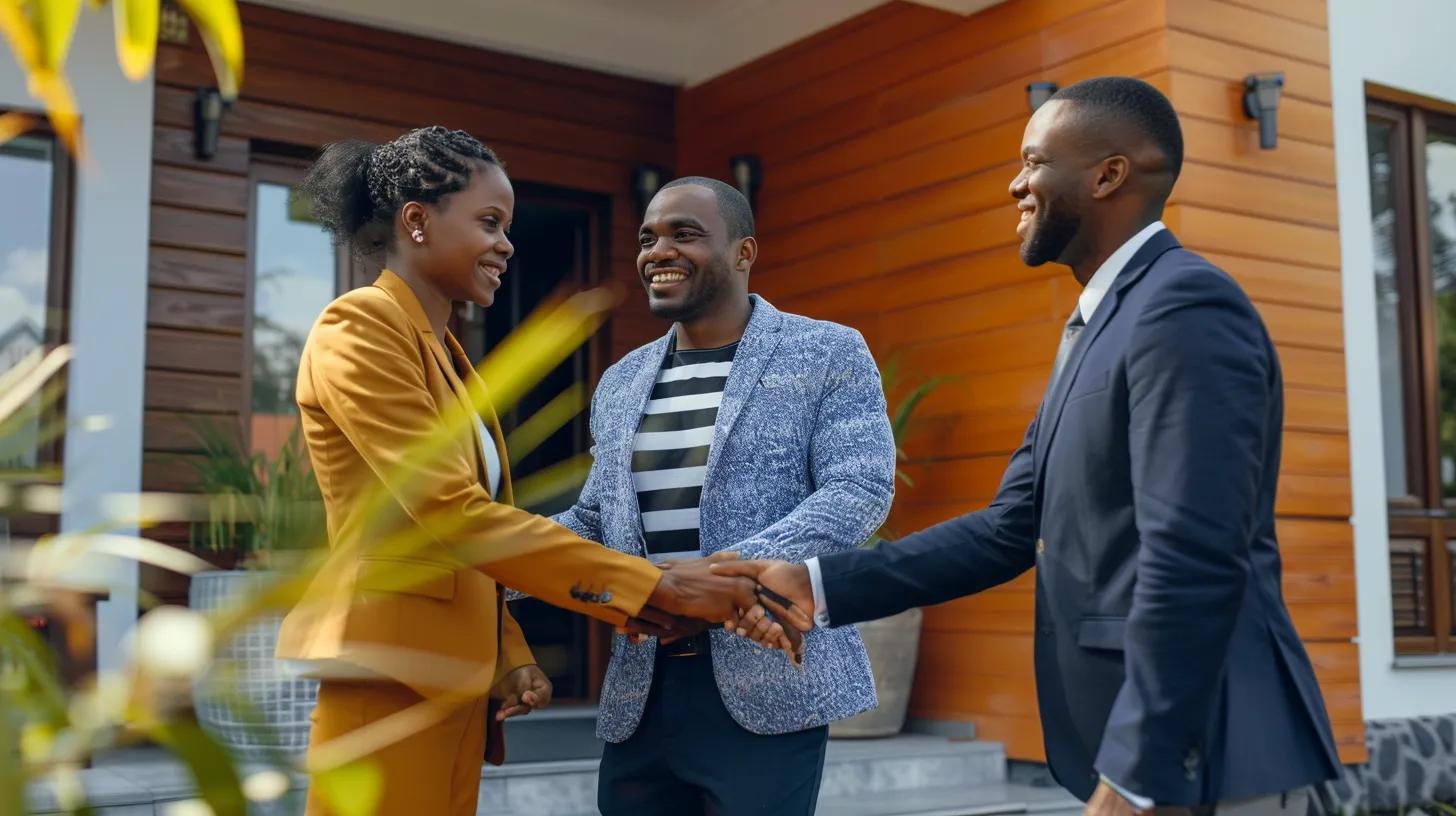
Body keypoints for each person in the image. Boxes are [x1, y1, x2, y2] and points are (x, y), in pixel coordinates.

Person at [719, 78, 1342, 814]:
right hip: (1140, 754)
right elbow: (1010, 529)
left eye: (1035, 161)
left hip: (1203, 757)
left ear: (1108, 174)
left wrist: (1138, 770)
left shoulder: (1184, 307)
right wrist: (815, 585)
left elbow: (1196, 555)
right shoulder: (1098, 326)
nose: (1015, 183)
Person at [274, 127, 765, 816]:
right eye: (489, 222)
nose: (507, 243)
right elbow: (450, 512)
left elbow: (463, 534)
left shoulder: (445, 353)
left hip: (448, 681)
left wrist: (507, 652)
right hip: (387, 676)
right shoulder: (358, 329)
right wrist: (656, 587)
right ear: (416, 222)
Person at [551, 176, 895, 816]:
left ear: (744, 252)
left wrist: (716, 579)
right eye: (648, 238)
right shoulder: (621, 380)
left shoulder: (826, 350)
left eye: (685, 234)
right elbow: (596, 518)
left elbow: (859, 491)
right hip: (641, 691)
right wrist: (493, 562)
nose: (658, 251)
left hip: (770, 686)